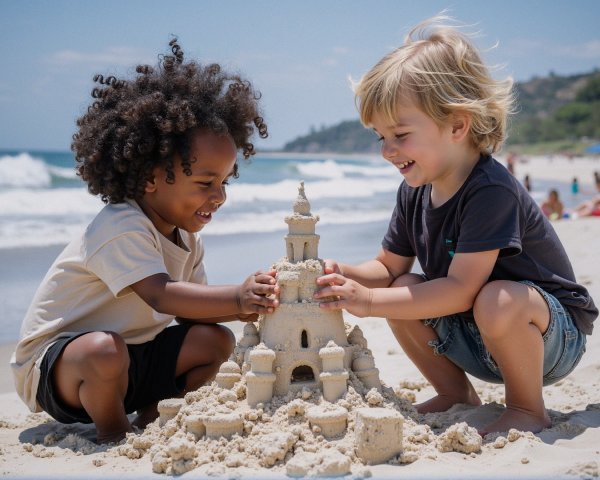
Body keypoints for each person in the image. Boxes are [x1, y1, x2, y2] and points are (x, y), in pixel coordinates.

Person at [313, 17, 597, 436]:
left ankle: (526, 407)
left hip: (548, 336)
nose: (388, 151)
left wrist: (369, 303)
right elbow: (387, 268)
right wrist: (343, 273)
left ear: (458, 126)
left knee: (495, 297)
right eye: (380, 137)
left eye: (401, 134)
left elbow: (463, 288)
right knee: (402, 284)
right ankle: (455, 393)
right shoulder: (415, 189)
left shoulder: (490, 190)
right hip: (477, 334)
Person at [10, 39, 279, 444]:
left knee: (215, 341)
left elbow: (195, 314)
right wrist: (237, 297)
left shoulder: (187, 240)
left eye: (225, 182)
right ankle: (114, 432)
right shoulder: (121, 225)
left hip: (132, 359)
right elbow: (161, 295)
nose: (220, 196)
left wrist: (251, 307)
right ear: (150, 177)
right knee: (104, 350)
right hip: (62, 367)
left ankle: (151, 421)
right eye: (206, 183)